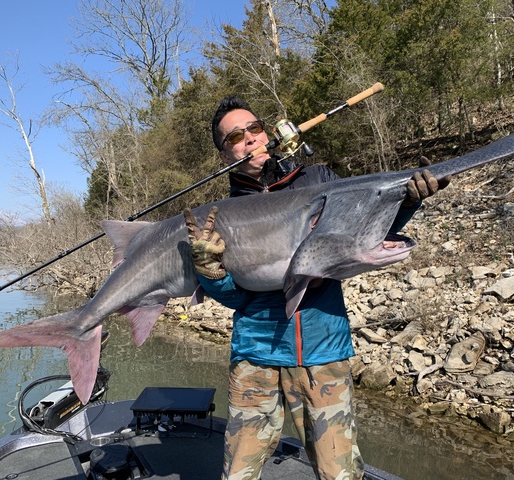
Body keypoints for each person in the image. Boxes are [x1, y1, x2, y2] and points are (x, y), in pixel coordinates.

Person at [183, 96, 449, 480]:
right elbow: (234, 297)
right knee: (236, 475)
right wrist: (209, 270)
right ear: (225, 155)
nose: (250, 140)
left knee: (339, 474)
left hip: (323, 355)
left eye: (255, 129)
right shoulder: (221, 214)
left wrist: (407, 202)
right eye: (236, 137)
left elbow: (364, 229)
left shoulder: (320, 179)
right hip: (255, 358)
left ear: (268, 132)